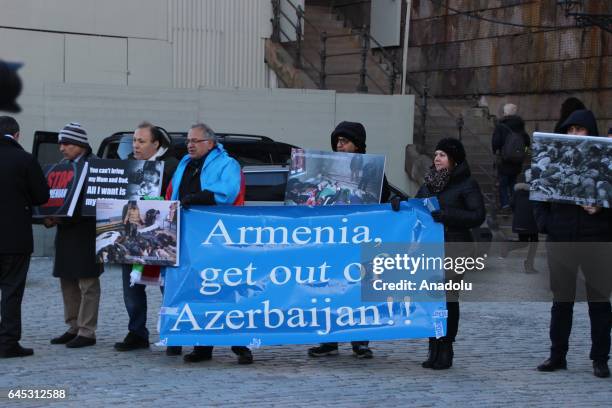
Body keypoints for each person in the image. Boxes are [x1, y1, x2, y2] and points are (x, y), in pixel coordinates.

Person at [534, 109, 612, 378]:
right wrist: (547, 224)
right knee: (561, 300)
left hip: (597, 238)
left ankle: (600, 358)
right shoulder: (555, 158)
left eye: (580, 129)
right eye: (570, 130)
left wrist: (602, 210)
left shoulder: (606, 161)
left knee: (600, 301)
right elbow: (540, 195)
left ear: (591, 132)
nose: (574, 134)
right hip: (562, 237)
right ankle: (557, 355)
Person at [166, 122, 250, 364]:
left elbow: (229, 192)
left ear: (210, 143)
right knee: (198, 291)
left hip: (220, 238)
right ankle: (202, 346)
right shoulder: (184, 164)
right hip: (190, 238)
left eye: (195, 141)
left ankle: (241, 344)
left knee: (227, 290)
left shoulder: (227, 164)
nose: (190, 145)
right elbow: (172, 194)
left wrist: (197, 198)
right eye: (188, 141)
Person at [307, 121, 391, 360]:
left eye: (344, 141)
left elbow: (382, 199)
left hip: (359, 240)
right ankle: (329, 340)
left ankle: (360, 340)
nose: (339, 145)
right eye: (337, 141)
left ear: (357, 145)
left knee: (359, 290)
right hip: (333, 240)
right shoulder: (328, 169)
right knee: (330, 290)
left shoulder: (373, 170)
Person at [416, 137, 486, 369]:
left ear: (454, 160)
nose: (437, 158)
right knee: (432, 300)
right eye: (436, 154)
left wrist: (447, 214)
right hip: (431, 251)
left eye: (443, 154)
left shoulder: (467, 184)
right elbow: (414, 209)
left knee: (448, 300)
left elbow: (477, 216)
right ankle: (434, 345)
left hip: (456, 249)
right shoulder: (428, 184)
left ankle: (446, 346)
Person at [114, 122, 179, 354]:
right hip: (132, 233)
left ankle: (173, 335)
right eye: (134, 141)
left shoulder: (171, 166)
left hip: (163, 236)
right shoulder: (129, 166)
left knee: (167, 287)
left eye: (141, 141)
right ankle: (136, 332)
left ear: (156, 144)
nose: (136, 145)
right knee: (131, 287)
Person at [45, 123, 103, 348]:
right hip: (66, 233)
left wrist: (64, 217)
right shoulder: (62, 166)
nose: (61, 148)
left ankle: (87, 331)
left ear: (80, 144)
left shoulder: (96, 166)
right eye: (60, 143)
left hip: (87, 232)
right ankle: (73, 326)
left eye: (66, 143)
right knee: (67, 281)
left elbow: (96, 204)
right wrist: (48, 215)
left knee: (88, 283)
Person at [0, 116, 49, 358]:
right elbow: (42, 196)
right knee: (11, 290)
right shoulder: (25, 159)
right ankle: (7, 343)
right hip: (14, 239)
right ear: (17, 135)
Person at [491, 103, 530, 212]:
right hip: (517, 161)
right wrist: (524, 153)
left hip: (504, 160)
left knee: (503, 183)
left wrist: (497, 152)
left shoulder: (501, 126)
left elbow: (496, 143)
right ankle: (515, 204)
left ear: (505, 113)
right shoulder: (520, 126)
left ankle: (505, 204)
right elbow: (527, 142)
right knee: (513, 182)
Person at [500, 170, 539, 274]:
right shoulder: (537, 191)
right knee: (534, 242)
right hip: (532, 221)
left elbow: (512, 204)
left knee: (524, 242)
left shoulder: (518, 191)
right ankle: (529, 265)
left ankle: (509, 246)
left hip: (520, 221)